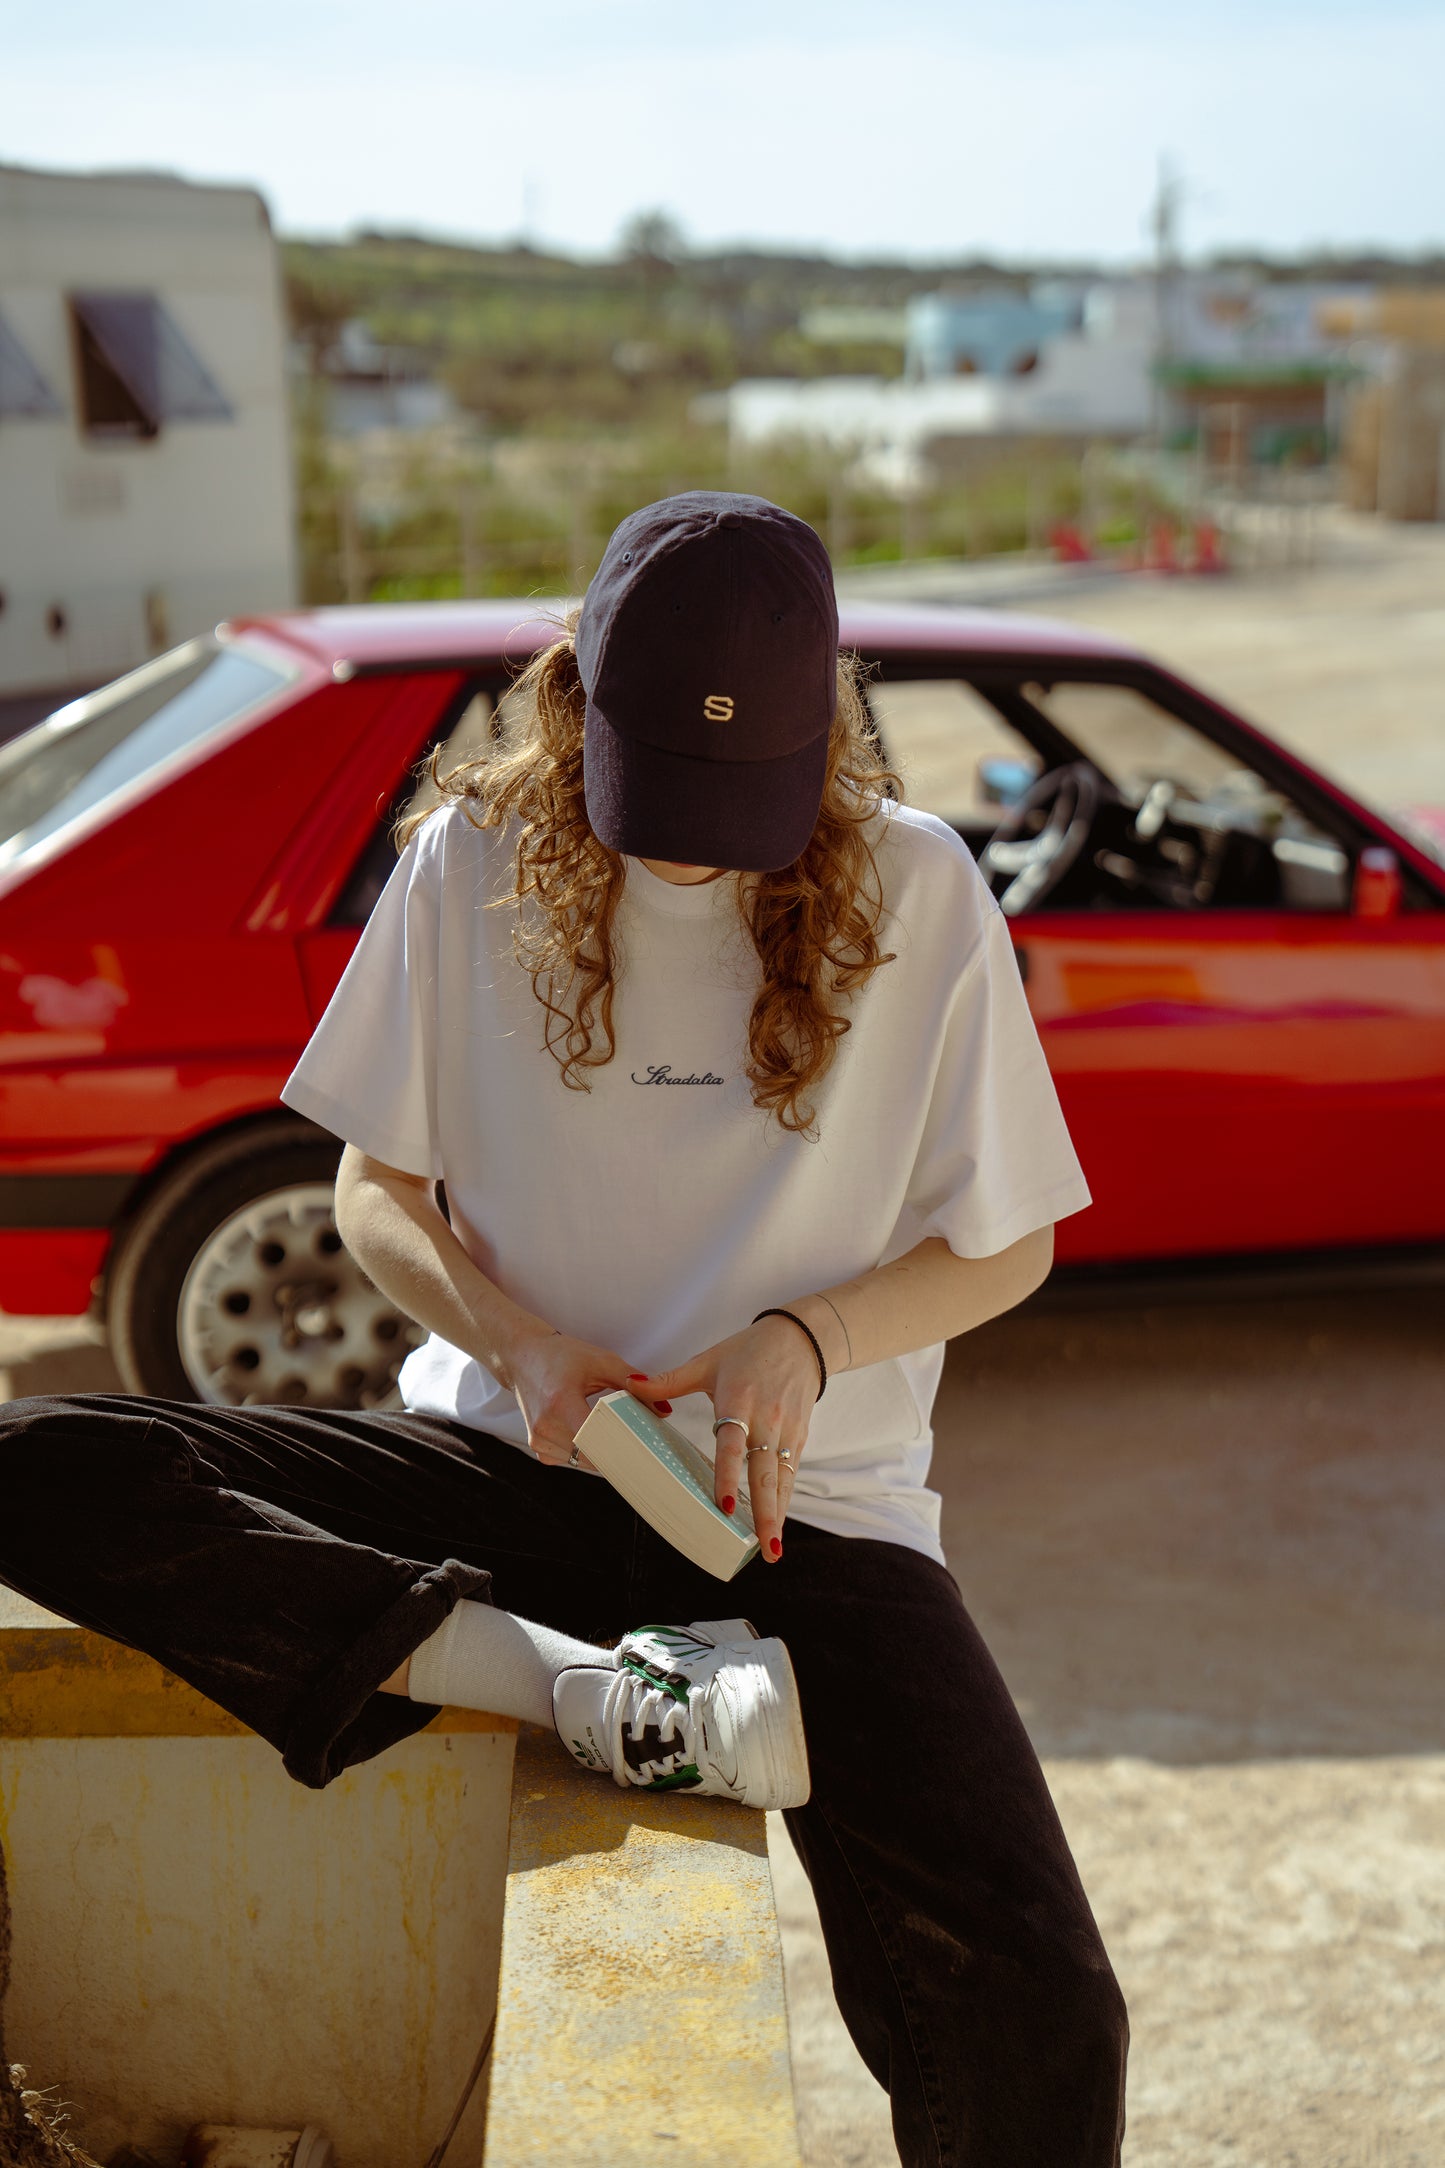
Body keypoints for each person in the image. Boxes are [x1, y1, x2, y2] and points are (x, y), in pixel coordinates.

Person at [0, 494, 1127, 2166]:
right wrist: (522, 1345)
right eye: (656, 784)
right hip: (502, 1473)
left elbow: (1012, 1242)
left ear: (824, 729)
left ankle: (621, 1680)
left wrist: (807, 1338)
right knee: (36, 1467)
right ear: (573, 694)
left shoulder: (921, 884)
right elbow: (372, 1184)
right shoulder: (466, 860)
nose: (683, 846)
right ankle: (583, 1694)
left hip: (805, 1518)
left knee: (1044, 2014)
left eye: (734, 802)